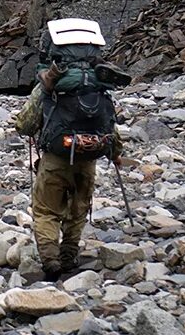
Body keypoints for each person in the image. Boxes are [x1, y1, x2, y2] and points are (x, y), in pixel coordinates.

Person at [14, 18, 125, 279]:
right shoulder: (99, 85)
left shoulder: (50, 87)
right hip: (89, 157)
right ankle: (69, 255)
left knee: (46, 210)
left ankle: (50, 259)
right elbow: (110, 124)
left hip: (56, 158)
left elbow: (25, 124)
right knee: (79, 209)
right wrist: (115, 154)